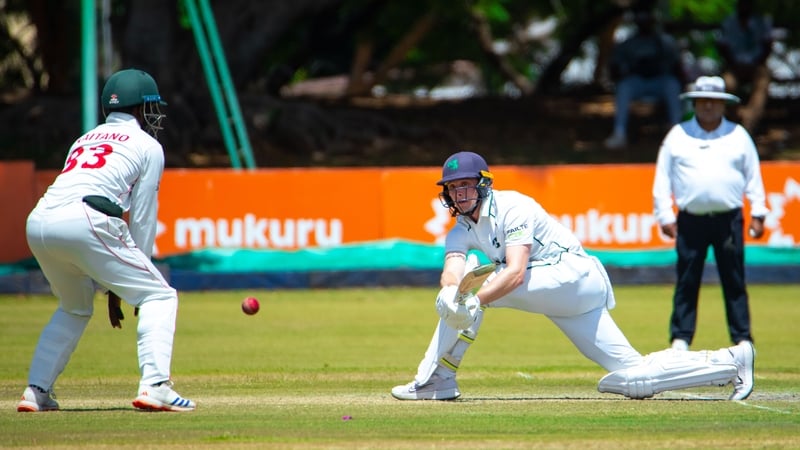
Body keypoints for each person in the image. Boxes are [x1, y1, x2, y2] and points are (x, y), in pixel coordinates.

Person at [391, 151, 755, 402]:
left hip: (573, 277)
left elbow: (515, 273)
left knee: (478, 289)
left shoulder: (514, 207)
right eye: (453, 188)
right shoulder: (459, 226)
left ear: (483, 184)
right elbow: (453, 268)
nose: (460, 193)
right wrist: (451, 292)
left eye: (466, 184)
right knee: (633, 377)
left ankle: (435, 379)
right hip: (560, 294)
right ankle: (732, 360)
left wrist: (468, 299)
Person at [17, 69, 195, 412]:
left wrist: (118, 283)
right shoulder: (148, 146)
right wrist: (129, 286)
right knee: (159, 295)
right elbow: (142, 219)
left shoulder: (84, 139)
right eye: (152, 107)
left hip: (39, 222)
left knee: (74, 306)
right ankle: (156, 385)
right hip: (84, 220)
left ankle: (36, 391)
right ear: (141, 109)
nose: (155, 115)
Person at [652, 75, 768, 353]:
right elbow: (662, 178)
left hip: (728, 218)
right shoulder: (678, 136)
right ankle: (681, 338)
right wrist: (665, 214)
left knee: (734, 278)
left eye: (713, 102)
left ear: (723, 105)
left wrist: (759, 211)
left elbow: (753, 175)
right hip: (691, 219)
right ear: (694, 103)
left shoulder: (738, 136)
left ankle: (742, 338)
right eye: (702, 101)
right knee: (687, 279)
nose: (707, 107)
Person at [604, 6, 685, 150]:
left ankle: (677, 133)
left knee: (672, 84)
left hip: (660, 81)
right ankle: (619, 133)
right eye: (642, 20)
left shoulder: (665, 42)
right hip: (638, 82)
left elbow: (678, 69)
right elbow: (614, 70)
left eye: (648, 20)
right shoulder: (628, 43)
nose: (645, 23)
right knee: (624, 86)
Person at [715, 0, 773, 132]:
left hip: (756, 66)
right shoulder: (729, 22)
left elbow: (767, 46)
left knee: (762, 83)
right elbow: (722, 47)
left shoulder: (762, 22)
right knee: (727, 83)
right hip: (734, 67)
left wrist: (754, 64)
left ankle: (749, 122)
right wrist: (736, 65)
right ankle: (735, 118)